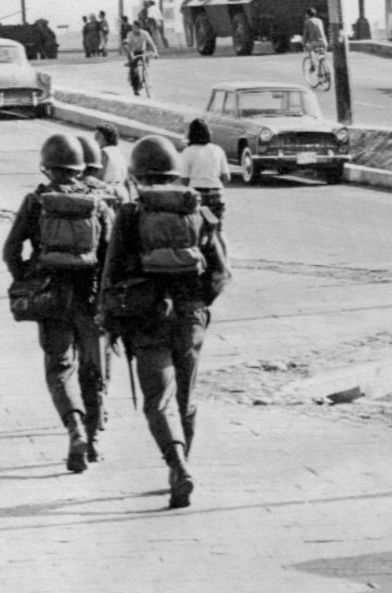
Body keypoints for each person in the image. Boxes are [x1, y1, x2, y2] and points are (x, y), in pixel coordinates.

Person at [100, 135, 230, 509]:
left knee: (157, 401)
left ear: (137, 175)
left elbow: (112, 273)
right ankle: (183, 467)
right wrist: (199, 306)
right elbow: (220, 272)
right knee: (186, 399)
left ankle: (176, 465)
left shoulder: (130, 213)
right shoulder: (198, 209)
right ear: (175, 172)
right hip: (189, 317)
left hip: (145, 318)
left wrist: (110, 319)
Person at [3, 134, 114, 472]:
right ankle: (93, 442)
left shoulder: (36, 201)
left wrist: (28, 277)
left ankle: (75, 429)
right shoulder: (98, 202)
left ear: (46, 166)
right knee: (92, 373)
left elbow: (10, 251)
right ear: (80, 168)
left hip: (50, 297)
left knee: (59, 370)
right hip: (89, 297)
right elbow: (111, 256)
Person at [180, 119, 231, 224]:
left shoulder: (188, 152)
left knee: (197, 228)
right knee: (217, 230)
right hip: (216, 193)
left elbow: (184, 180)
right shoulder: (218, 150)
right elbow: (226, 177)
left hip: (196, 194)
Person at [123, 22, 159, 96]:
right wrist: (131, 57)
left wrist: (156, 53)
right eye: (132, 27)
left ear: (139, 28)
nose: (133, 29)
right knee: (133, 70)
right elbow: (127, 42)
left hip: (142, 51)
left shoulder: (144, 34)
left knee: (145, 64)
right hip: (132, 52)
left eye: (135, 27)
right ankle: (135, 89)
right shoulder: (130, 34)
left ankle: (144, 79)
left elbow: (151, 44)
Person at [303, 8, 328, 72]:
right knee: (321, 56)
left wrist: (304, 43)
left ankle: (312, 65)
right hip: (324, 42)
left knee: (309, 49)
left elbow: (305, 35)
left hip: (315, 43)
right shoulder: (320, 20)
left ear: (307, 15)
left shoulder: (307, 22)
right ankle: (323, 72)